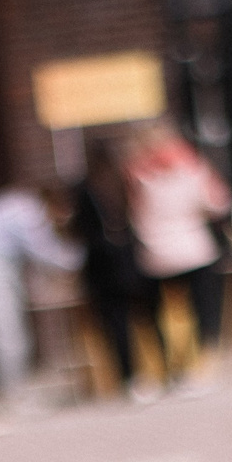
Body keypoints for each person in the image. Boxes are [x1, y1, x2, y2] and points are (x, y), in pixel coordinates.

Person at [125, 120, 231, 398]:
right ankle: (200, 372)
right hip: (195, 248)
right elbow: (218, 203)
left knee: (159, 316)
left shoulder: (135, 173)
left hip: (154, 252)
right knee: (203, 313)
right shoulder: (192, 166)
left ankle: (164, 373)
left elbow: (132, 213)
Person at [0, 184, 82, 411]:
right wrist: (78, 257)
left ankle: (14, 391)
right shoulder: (29, 211)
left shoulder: (19, 203)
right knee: (8, 332)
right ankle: (14, 397)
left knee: (8, 331)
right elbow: (43, 251)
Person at [70, 134, 151, 401]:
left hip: (102, 267)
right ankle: (162, 372)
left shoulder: (84, 189)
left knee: (115, 326)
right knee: (146, 318)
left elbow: (80, 231)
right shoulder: (122, 182)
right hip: (129, 260)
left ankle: (129, 378)